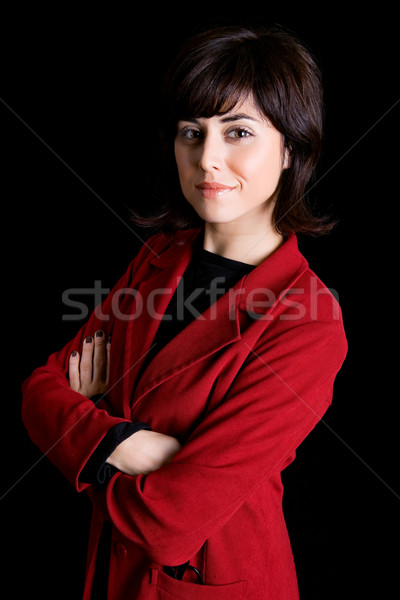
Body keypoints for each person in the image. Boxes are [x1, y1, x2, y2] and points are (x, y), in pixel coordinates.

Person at [22, 24, 347, 600]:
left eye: (238, 131)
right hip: (105, 575)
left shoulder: (308, 321)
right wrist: (121, 442)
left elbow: (166, 526)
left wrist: (83, 438)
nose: (208, 159)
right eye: (191, 133)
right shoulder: (157, 258)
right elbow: (39, 392)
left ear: (292, 148)